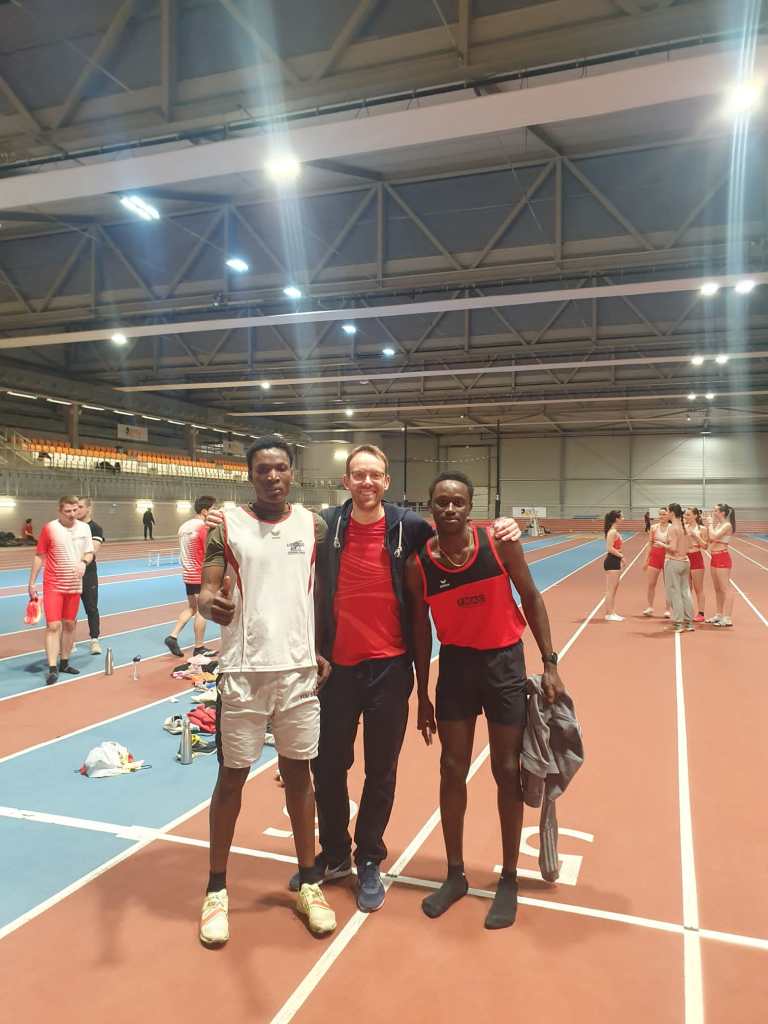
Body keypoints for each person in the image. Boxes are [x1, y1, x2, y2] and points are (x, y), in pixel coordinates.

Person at [205, 446, 520, 913]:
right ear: (346, 481)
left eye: (375, 475)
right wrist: (219, 518)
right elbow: (266, 523)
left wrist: (504, 526)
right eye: (358, 475)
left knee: (381, 771)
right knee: (327, 768)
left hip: (389, 670)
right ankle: (334, 854)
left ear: (386, 481)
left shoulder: (408, 527)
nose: (366, 482)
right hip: (336, 668)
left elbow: (452, 530)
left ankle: (369, 858)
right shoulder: (324, 525)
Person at [405, 471, 564, 929]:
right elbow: (419, 631)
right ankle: (455, 874)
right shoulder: (420, 564)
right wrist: (422, 693)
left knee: (506, 770)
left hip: (503, 664)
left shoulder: (498, 545)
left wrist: (550, 662)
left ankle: (508, 878)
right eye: (441, 501)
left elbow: (531, 596)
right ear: (431, 507)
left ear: (469, 506)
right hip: (456, 667)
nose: (449, 508)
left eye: (457, 501)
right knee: (451, 767)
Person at [197, 436, 335, 946]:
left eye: (280, 468)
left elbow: (321, 589)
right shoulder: (226, 526)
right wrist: (209, 603)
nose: (273, 477)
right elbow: (207, 587)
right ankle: (216, 890)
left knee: (299, 775)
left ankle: (309, 883)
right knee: (232, 778)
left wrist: (321, 646)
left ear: (292, 473)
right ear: (250, 475)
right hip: (243, 670)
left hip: (297, 669)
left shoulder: (313, 525)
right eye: (263, 470)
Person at [28, 496, 94, 685]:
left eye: (75, 510)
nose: (72, 514)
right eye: (68, 511)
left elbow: (89, 552)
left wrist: (83, 562)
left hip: (74, 585)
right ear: (60, 511)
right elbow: (39, 556)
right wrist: (31, 583)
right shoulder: (50, 528)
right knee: (53, 626)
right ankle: (52, 668)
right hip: (54, 585)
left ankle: (64, 662)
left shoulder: (85, 528)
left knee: (70, 625)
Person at [164, 496, 216, 659]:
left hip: (188, 573)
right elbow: (209, 552)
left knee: (192, 608)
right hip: (200, 574)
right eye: (213, 509)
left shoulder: (183, 527)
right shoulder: (203, 527)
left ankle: (172, 636)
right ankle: (199, 647)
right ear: (205, 511)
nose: (215, 512)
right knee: (203, 611)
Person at [76, 497, 105, 655]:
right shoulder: (71, 527)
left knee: (91, 608)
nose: (77, 510)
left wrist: (79, 561)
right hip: (71, 574)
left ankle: (94, 640)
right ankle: (69, 641)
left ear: (89, 508)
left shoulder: (95, 528)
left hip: (88, 574)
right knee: (69, 610)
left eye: (80, 507)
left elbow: (92, 550)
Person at [661, 503, 694, 633]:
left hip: (673, 562)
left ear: (672, 513)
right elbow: (690, 547)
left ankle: (678, 623)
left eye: (667, 511)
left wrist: (662, 545)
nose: (666, 514)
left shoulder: (672, 528)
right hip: (685, 562)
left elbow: (673, 548)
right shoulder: (685, 527)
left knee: (675, 593)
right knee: (685, 592)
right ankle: (689, 623)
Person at [707, 503, 735, 627]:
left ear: (722, 513)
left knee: (725, 588)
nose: (713, 512)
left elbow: (713, 536)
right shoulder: (718, 525)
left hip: (722, 557)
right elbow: (710, 538)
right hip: (714, 557)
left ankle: (727, 618)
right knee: (717, 588)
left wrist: (709, 524)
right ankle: (719, 614)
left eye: (715, 510)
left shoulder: (727, 525)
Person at [643, 507, 671, 617]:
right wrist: (646, 560)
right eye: (660, 514)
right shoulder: (654, 528)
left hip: (667, 556)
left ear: (668, 515)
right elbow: (649, 544)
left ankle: (668, 609)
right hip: (655, 556)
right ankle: (650, 607)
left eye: (664, 514)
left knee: (668, 584)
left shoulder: (672, 528)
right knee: (651, 583)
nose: (661, 516)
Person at [684, 507, 707, 622]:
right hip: (684, 557)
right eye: (685, 515)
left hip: (696, 557)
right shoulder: (683, 528)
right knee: (686, 588)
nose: (685, 517)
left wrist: (695, 536)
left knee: (698, 588)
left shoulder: (702, 529)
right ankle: (687, 612)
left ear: (695, 516)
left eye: (688, 515)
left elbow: (705, 546)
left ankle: (701, 613)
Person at [603, 509, 625, 621]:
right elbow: (609, 548)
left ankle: (612, 612)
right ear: (617, 519)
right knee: (610, 590)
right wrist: (621, 556)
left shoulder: (615, 531)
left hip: (615, 561)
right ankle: (609, 614)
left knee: (614, 589)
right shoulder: (612, 532)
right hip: (612, 561)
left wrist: (620, 558)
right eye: (622, 517)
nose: (623, 519)